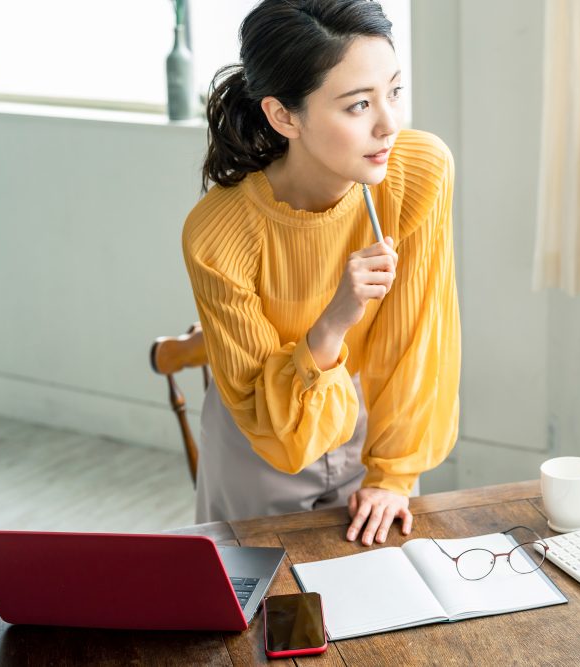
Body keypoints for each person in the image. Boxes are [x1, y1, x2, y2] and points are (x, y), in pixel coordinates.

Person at [181, 0, 460, 547]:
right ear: (284, 116)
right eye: (358, 105)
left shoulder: (419, 172)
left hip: (370, 417)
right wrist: (335, 318)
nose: (389, 124)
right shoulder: (217, 234)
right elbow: (275, 431)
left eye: (393, 92)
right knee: (254, 613)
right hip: (259, 435)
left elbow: (416, 338)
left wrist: (392, 474)